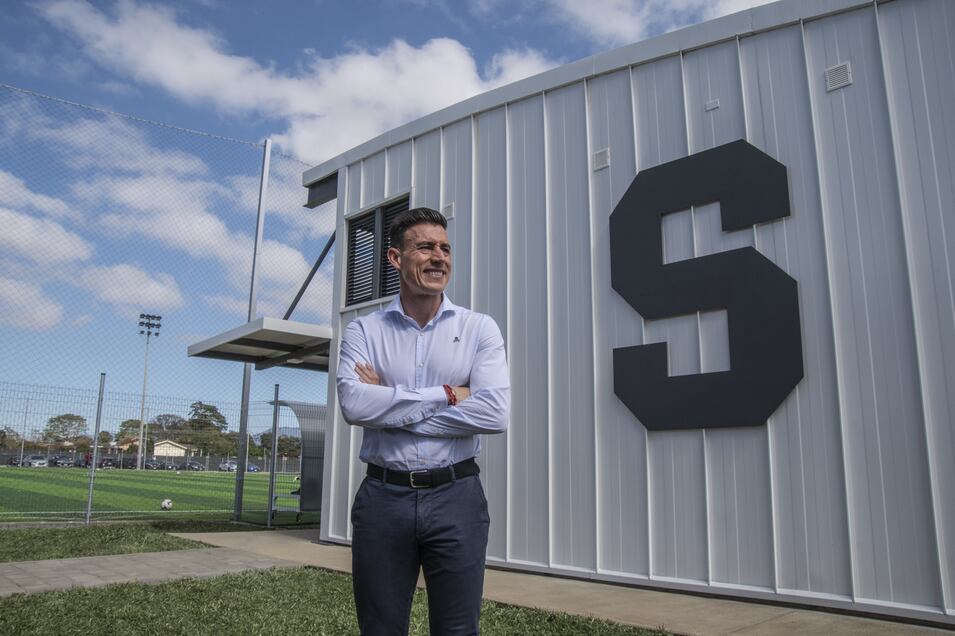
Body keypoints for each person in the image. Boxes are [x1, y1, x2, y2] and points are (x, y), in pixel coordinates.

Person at [336, 207, 510, 635]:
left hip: (458, 497)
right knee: (380, 629)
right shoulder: (363, 331)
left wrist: (391, 411)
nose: (439, 257)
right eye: (425, 247)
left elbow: (494, 412)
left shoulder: (479, 329)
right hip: (383, 498)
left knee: (457, 630)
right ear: (396, 258)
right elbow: (355, 406)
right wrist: (449, 394)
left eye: (445, 248)